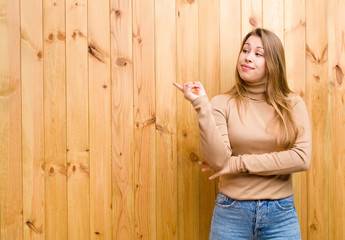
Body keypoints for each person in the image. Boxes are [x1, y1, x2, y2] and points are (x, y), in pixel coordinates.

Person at [173, 28, 311, 240]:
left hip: (281, 215)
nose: (247, 57)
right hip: (231, 212)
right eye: (245, 50)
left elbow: (301, 158)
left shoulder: (292, 104)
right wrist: (201, 104)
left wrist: (237, 163)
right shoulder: (221, 103)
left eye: (258, 53)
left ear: (273, 62)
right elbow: (218, 160)